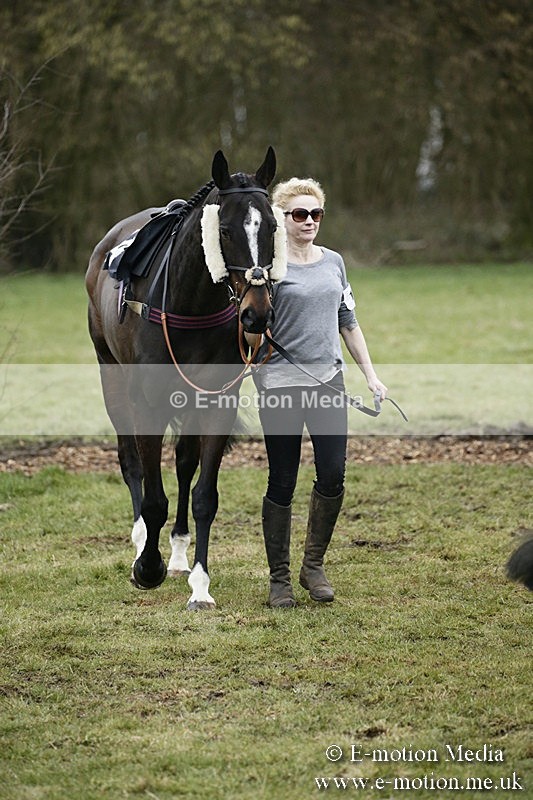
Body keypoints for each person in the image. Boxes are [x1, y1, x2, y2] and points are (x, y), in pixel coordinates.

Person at [254, 177, 388, 608]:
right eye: (299, 214)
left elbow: (348, 320)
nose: (309, 220)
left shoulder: (334, 262)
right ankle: (279, 580)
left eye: (316, 213)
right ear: (282, 218)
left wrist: (370, 375)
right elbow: (249, 326)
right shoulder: (269, 269)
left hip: (329, 384)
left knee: (332, 476)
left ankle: (313, 566)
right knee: (283, 480)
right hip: (280, 386)